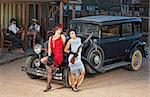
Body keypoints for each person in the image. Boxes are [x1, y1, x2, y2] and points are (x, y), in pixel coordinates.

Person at [40, 24, 66, 92]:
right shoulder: (51, 38)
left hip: (59, 55)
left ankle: (55, 68)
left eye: (61, 29)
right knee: (43, 61)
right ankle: (48, 85)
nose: (61, 30)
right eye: (60, 29)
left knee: (49, 70)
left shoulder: (62, 36)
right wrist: (49, 56)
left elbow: (63, 45)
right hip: (52, 55)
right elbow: (50, 48)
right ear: (56, 29)